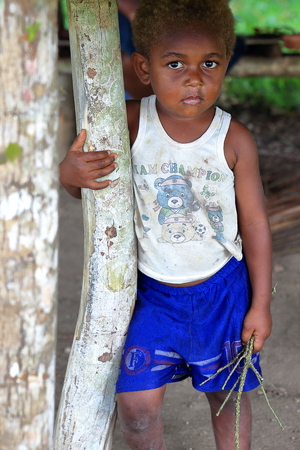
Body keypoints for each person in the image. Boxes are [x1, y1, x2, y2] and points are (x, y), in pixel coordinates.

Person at [60, 1, 272, 449]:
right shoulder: (130, 123)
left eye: (208, 63)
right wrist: (70, 174)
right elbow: (85, 185)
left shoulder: (233, 140)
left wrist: (260, 305)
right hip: (153, 295)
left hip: (222, 292)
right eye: (174, 63)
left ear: (225, 64)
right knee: (136, 407)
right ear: (144, 67)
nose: (193, 77)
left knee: (227, 396)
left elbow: (254, 223)